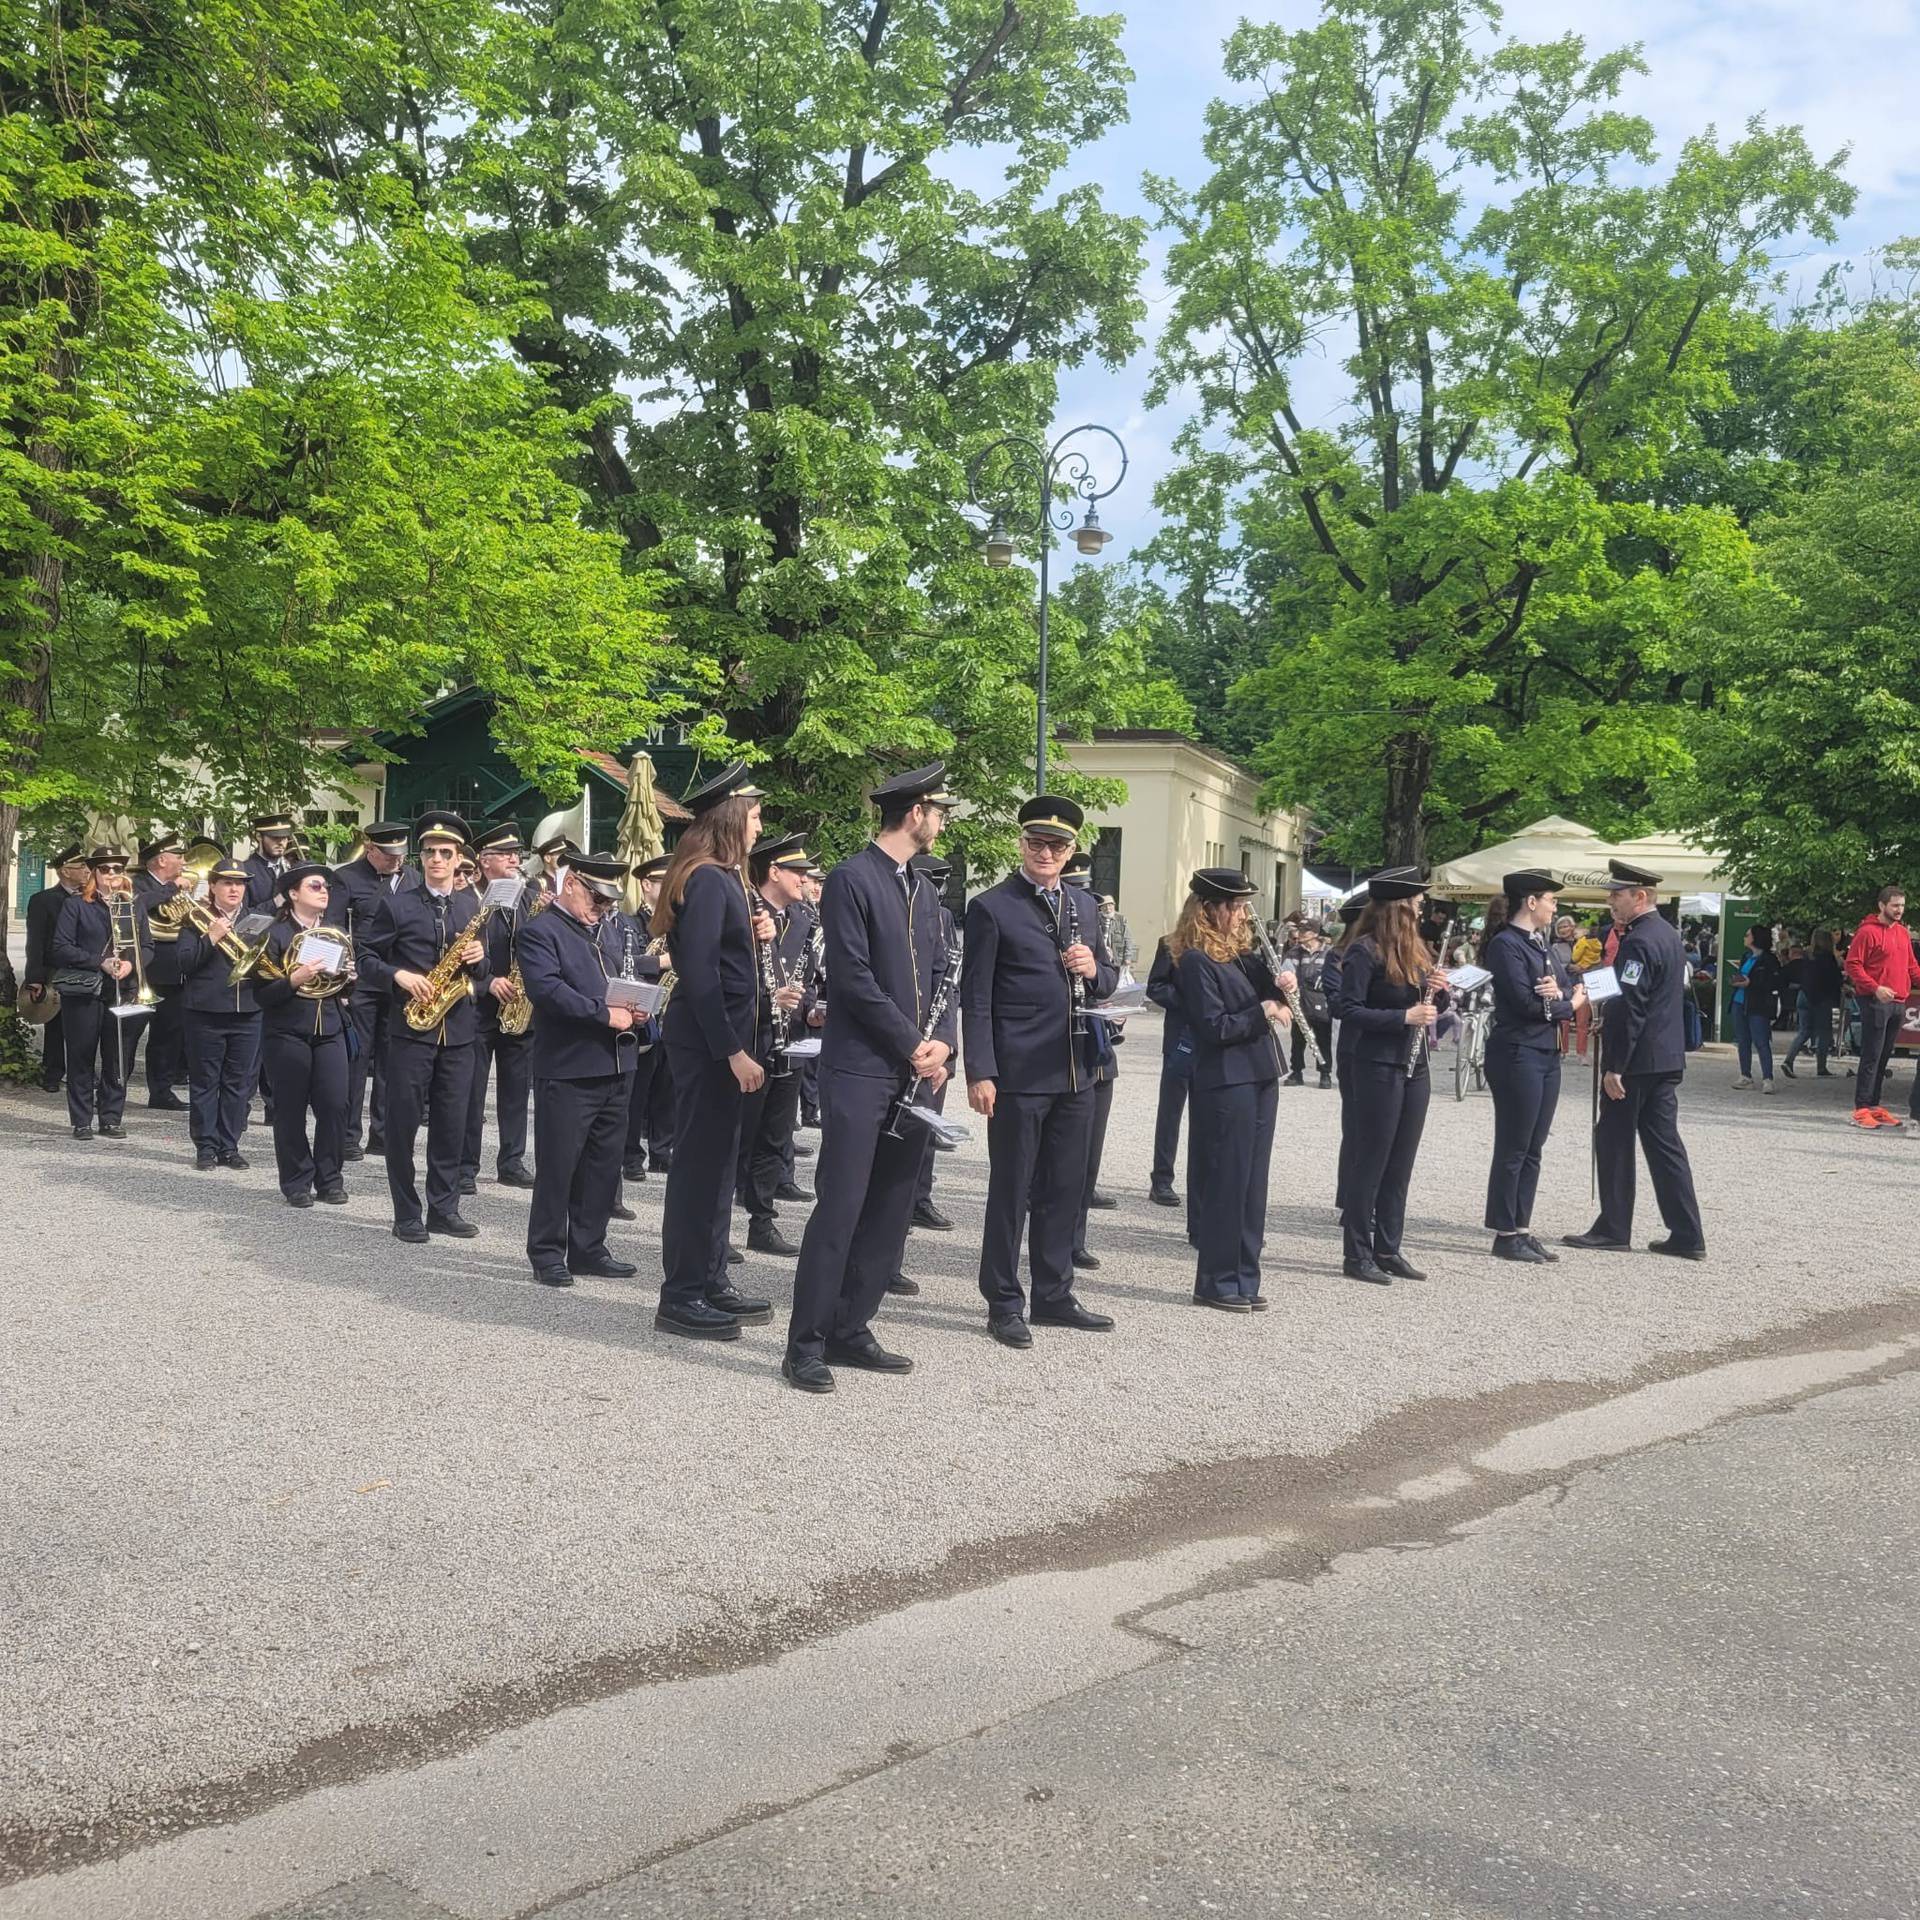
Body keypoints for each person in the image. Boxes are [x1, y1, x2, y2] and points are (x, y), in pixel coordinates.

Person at [782, 766, 958, 1391]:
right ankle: (804, 1341)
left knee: (889, 1209)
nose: (941, 822)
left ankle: (852, 1326)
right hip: (860, 1068)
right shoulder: (853, 880)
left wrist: (942, 1047)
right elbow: (853, 977)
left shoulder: (925, 890)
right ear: (915, 813)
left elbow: (943, 975)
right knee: (843, 1205)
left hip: (917, 1071)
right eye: (938, 811)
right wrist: (913, 1044)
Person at [963, 795, 1120, 1346]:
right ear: (1022, 845)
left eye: (1057, 845)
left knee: (1065, 1188)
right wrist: (980, 1070)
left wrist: (1096, 967)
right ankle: (1004, 1300)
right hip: (1020, 1072)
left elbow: (1106, 986)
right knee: (1012, 1190)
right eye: (1036, 843)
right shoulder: (992, 907)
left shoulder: (1085, 906)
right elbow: (975, 998)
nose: (1046, 852)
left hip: (1078, 1070)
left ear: (1072, 850)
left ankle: (1054, 1292)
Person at [654, 762, 772, 1340]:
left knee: (719, 1167)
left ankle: (711, 1276)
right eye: (753, 815)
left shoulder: (723, 878)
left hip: (720, 1044)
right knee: (699, 1170)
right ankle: (680, 1293)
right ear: (730, 818)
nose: (759, 824)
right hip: (707, 1046)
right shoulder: (706, 878)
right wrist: (732, 1051)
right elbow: (698, 975)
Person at [355, 811, 490, 1243]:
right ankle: (406, 1212)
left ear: (458, 860)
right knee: (403, 1122)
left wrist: (479, 961)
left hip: (459, 1030)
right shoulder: (395, 903)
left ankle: (444, 1208)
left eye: (445, 853)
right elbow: (366, 961)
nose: (436, 859)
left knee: (452, 1123)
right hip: (411, 1030)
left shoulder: (472, 905)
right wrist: (401, 976)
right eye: (430, 852)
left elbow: (485, 971)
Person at [1563, 861, 1706, 1259]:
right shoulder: (1666, 934)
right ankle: (1687, 1233)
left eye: (1617, 895)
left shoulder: (1639, 941)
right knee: (1664, 1146)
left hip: (1638, 1061)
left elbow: (1632, 1007)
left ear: (1639, 896)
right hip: (1663, 1056)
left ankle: (1613, 1227)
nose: (1611, 901)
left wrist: (1615, 1066)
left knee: (1613, 1139)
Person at [514, 852, 642, 1286]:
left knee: (603, 1165)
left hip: (616, 1062)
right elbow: (547, 990)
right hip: (568, 1067)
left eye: (608, 902)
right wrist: (603, 1014)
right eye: (596, 897)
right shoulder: (540, 931)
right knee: (559, 1165)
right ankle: (547, 1251)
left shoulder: (608, 931)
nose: (602, 908)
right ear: (571, 883)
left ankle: (589, 1247)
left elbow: (624, 979)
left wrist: (639, 1008)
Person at [1171, 869, 1287, 1311]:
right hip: (1225, 1079)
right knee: (1228, 1181)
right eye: (1234, 907)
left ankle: (1244, 1275)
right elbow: (1215, 1026)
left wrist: (1282, 985)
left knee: (1253, 1184)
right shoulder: (1196, 961)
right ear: (1209, 910)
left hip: (1258, 1075)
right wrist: (1265, 1011)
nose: (1241, 916)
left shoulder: (1238, 956)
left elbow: (1266, 989)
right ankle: (1215, 1282)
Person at [1331, 867, 1449, 1285]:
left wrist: (1441, 988)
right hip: (1377, 1065)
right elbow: (1347, 1010)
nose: (1421, 906)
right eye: (1416, 900)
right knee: (1372, 1160)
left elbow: (1429, 1002)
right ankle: (1357, 1252)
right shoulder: (1364, 951)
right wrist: (1403, 1016)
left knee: (1401, 1162)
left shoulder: (1415, 949)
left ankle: (1389, 1247)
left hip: (1414, 1066)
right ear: (1399, 906)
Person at [1481, 870, 1583, 1264]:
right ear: (1532, 902)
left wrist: (1558, 996)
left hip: (1544, 1052)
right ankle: (1505, 1231)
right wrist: (1565, 1005)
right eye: (1551, 900)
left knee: (1534, 1146)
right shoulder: (1506, 945)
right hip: (1517, 1051)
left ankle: (1521, 1226)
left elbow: (1560, 986)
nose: (1556, 907)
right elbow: (1527, 1003)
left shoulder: (1538, 943)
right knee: (1514, 1144)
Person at [253, 863, 353, 1206]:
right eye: (315, 886)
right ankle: (296, 1181)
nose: (324, 891)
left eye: (325, 886)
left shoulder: (335, 931)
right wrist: (292, 981)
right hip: (287, 1031)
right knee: (290, 1108)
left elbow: (343, 987)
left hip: (330, 1027)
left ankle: (330, 1179)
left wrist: (349, 977)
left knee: (336, 1104)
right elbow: (261, 995)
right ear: (294, 894)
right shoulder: (275, 934)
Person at [736, 833, 814, 1257]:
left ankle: (761, 1222)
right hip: (749, 1042)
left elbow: (812, 980)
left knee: (774, 1139)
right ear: (774, 872)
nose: (805, 879)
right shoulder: (744, 915)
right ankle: (717, 1228)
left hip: (791, 1045)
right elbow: (728, 979)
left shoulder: (804, 920)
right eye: (798, 872)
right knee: (734, 1139)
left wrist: (813, 1011)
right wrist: (771, 1000)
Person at [327, 820, 417, 1161]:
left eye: (400, 854)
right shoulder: (347, 878)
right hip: (363, 979)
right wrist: (340, 979)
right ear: (371, 849)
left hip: (399, 977)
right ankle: (350, 1134)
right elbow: (335, 927)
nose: (396, 861)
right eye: (389, 854)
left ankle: (382, 1133)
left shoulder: (412, 878)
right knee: (357, 1058)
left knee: (391, 1061)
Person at [174, 855, 265, 1172]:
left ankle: (230, 1145)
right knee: (205, 1082)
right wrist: (210, 937)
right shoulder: (194, 919)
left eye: (239, 884)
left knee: (239, 1084)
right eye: (227, 882)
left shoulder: (258, 919)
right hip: (205, 1010)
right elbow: (183, 964)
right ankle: (206, 1147)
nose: (234, 889)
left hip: (248, 1011)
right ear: (212, 886)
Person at [50, 847, 148, 1141]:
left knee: (117, 1056)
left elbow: (149, 948)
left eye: (117, 869)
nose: (111, 875)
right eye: (105, 869)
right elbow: (61, 947)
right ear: (94, 873)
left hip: (123, 989)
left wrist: (130, 964)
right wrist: (99, 961)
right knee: (81, 1055)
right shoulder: (77, 905)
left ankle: (111, 1118)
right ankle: (81, 1121)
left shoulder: (134, 905)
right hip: (85, 990)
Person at [461, 821, 537, 1193]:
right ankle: (465, 1166)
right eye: (506, 854)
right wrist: (487, 981)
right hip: (479, 1004)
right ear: (484, 860)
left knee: (516, 1089)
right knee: (472, 1090)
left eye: (516, 854)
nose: (514, 859)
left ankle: (512, 1161)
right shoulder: (467, 896)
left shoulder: (525, 896)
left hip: (518, 1006)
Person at [1063, 847, 1119, 1272]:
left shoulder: (1094, 925)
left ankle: (1074, 1237)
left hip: (1097, 1053)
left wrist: (1099, 977)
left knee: (1088, 1156)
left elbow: (1110, 977)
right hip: (1062, 1055)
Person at [903, 848, 960, 1254]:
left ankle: (920, 1197)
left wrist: (947, 1047)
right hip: (904, 1041)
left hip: (934, 1043)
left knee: (925, 1128)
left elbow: (950, 984)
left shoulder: (944, 918)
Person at [622, 855, 677, 1181]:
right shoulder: (630, 923)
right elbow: (627, 962)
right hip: (642, 1016)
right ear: (646, 885)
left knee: (667, 1089)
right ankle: (631, 1156)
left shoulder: (676, 925)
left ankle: (661, 1150)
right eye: (663, 884)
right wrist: (661, 963)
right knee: (636, 1092)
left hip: (671, 1016)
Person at [1844, 885, 1914, 1129]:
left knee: (1884, 1054)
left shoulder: (1903, 933)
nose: (1899, 910)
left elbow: (1911, 966)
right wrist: (1875, 988)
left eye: (1902, 906)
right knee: (1871, 1054)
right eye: (1895, 905)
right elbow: (1853, 964)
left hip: (1898, 1000)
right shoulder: (1866, 932)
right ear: (1882, 906)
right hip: (1875, 1000)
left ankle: (1873, 1104)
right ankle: (1861, 1107)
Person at [129, 833, 190, 1109]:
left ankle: (161, 1091)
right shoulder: (135, 882)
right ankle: (113, 1089)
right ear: (162, 860)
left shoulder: (184, 888)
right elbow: (136, 905)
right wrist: (171, 890)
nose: (184, 862)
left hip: (174, 971)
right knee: (129, 1034)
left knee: (168, 1035)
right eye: (179, 857)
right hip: (144, 971)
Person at [23, 844, 87, 1092]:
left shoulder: (90, 898)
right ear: (65, 872)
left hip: (85, 968)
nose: (86, 871)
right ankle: (53, 1072)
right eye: (80, 867)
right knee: (56, 1024)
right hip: (56, 970)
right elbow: (36, 941)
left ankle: (81, 1073)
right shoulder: (44, 900)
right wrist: (35, 978)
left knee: (83, 1025)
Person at [1144, 933, 1190, 1209]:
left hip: (1217, 1042)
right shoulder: (1171, 942)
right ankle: (1162, 1178)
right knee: (1171, 1112)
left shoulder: (1231, 943)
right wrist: (1190, 999)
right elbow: (1156, 986)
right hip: (1181, 1038)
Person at [1729, 924, 1784, 1094]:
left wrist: (1751, 983)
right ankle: (1745, 1075)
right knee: (1743, 1041)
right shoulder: (1746, 957)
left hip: (1758, 1004)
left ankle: (1768, 1078)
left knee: (1761, 1041)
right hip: (1740, 1002)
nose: (1745, 937)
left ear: (1755, 938)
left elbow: (1775, 982)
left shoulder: (1769, 960)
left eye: (1748, 935)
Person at [1783, 929, 1843, 1078]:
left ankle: (1788, 1060)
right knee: (1824, 1032)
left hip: (1804, 995)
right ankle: (1821, 1067)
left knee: (1804, 1031)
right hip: (1821, 998)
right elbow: (1834, 979)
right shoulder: (1828, 957)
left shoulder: (1808, 956)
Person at [1283, 921, 1333, 1089]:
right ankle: (1296, 1072)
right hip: (1300, 1001)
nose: (1301, 934)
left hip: (1321, 1002)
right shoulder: (1294, 952)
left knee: (1323, 1039)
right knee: (1297, 1039)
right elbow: (1286, 970)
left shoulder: (1328, 953)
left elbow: (1336, 974)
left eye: (1306, 931)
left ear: (1315, 934)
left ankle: (1325, 1073)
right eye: (1301, 930)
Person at [241, 814, 297, 909]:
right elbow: (241, 914)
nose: (281, 843)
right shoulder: (245, 871)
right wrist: (275, 903)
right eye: (274, 838)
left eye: (284, 838)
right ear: (259, 836)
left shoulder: (291, 868)